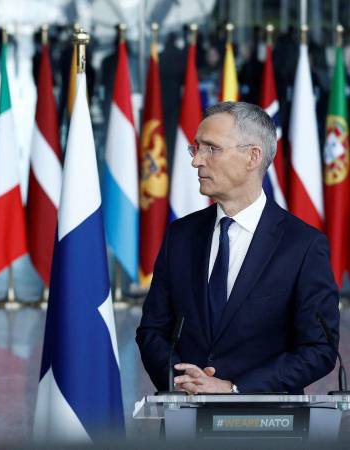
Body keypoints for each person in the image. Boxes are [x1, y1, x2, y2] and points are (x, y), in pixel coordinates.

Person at [136, 101, 340, 394]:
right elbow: (152, 330)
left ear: (252, 156)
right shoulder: (180, 235)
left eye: (211, 149)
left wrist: (233, 389)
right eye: (196, 149)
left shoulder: (303, 245)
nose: (196, 161)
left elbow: (319, 349)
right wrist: (180, 381)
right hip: (185, 422)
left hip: (269, 428)